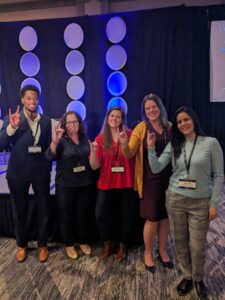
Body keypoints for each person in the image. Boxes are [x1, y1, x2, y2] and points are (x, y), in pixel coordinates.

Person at [147, 106, 224, 299]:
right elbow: (156, 168)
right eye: (179, 121)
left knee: (197, 246)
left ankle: (198, 278)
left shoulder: (210, 143)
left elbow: (220, 175)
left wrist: (214, 203)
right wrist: (150, 147)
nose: (183, 124)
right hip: (175, 199)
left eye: (186, 119)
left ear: (194, 120)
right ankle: (187, 276)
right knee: (180, 242)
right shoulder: (174, 144)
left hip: (201, 202)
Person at [119, 93, 173, 273]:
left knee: (165, 217)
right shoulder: (141, 128)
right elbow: (129, 153)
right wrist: (124, 144)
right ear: (144, 111)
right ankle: (148, 253)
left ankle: (163, 250)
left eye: (154, 106)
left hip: (170, 179)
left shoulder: (170, 127)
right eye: (147, 108)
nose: (151, 110)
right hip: (150, 181)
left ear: (160, 107)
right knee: (152, 219)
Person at [0, 84, 52, 263]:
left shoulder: (45, 122)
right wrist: (11, 128)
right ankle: (21, 244)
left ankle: (43, 244)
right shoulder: (12, 118)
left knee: (44, 209)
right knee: (19, 210)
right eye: (29, 98)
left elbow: (47, 148)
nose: (32, 101)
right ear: (22, 99)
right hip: (18, 173)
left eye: (35, 98)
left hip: (40, 173)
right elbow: (1, 144)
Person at [89, 106, 136, 262]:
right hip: (106, 182)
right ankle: (107, 243)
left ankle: (123, 245)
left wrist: (124, 144)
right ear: (107, 118)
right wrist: (94, 152)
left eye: (118, 116)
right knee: (101, 214)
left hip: (126, 182)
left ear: (122, 119)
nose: (114, 119)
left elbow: (131, 158)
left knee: (126, 215)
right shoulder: (101, 138)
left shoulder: (129, 135)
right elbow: (94, 166)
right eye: (112, 116)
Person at [46, 111, 94, 259]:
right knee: (67, 216)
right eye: (70, 122)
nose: (73, 125)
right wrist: (55, 140)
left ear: (79, 123)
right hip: (65, 185)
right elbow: (49, 156)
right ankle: (69, 244)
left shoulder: (85, 139)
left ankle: (83, 241)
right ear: (65, 125)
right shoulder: (61, 140)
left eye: (75, 122)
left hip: (84, 184)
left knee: (83, 214)